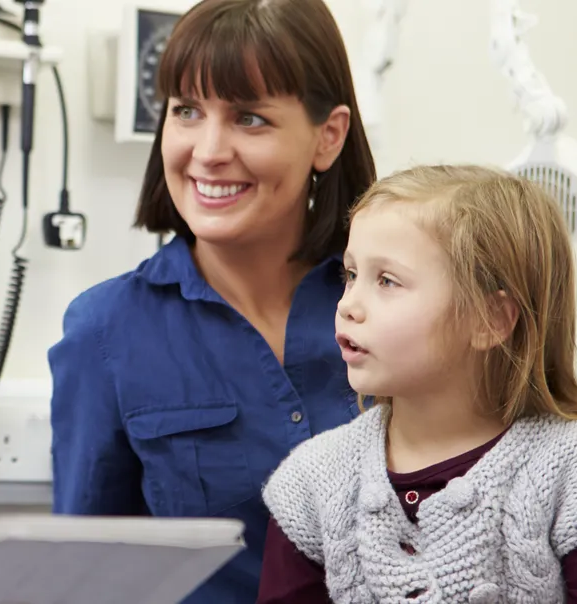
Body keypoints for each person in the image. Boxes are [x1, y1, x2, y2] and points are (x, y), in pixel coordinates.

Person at [46, 0, 375, 601]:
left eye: (249, 118)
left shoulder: (396, 306)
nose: (208, 149)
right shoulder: (106, 332)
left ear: (328, 136)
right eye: (187, 111)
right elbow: (85, 579)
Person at [258, 165, 577, 603]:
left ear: (490, 320)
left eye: (387, 281)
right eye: (351, 275)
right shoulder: (312, 482)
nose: (349, 305)